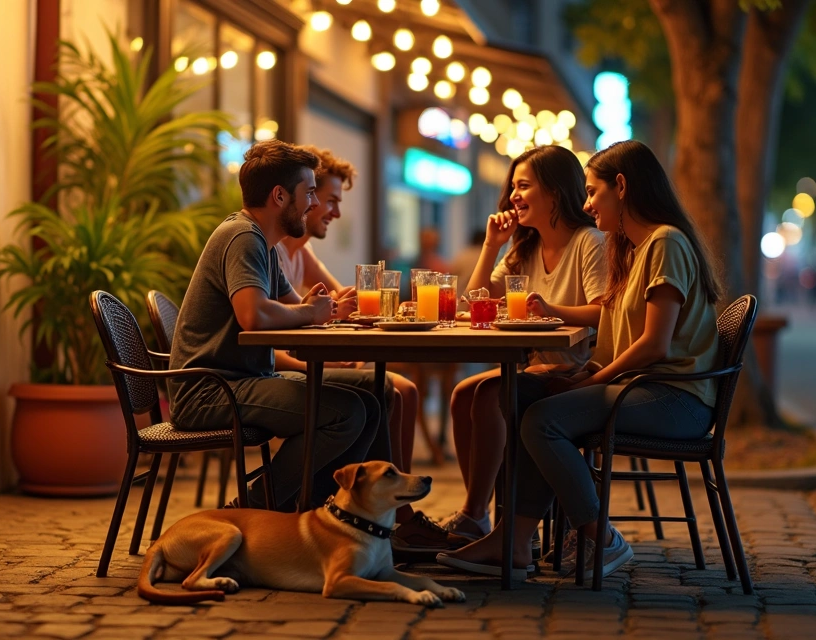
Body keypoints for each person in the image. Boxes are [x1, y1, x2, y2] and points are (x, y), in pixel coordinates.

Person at [437, 139, 724, 581]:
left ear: (622, 187)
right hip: (641, 387)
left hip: (675, 398)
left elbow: (654, 345)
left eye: (593, 192)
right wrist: (587, 371)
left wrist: (589, 380)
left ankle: (600, 536)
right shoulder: (632, 248)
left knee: (541, 420)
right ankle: (512, 540)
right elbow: (615, 335)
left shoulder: (665, 242)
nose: (587, 204)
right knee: (517, 394)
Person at [167, 140, 381, 512]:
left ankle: (320, 512)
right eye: (310, 193)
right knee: (349, 412)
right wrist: (311, 313)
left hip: (243, 380)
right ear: (280, 196)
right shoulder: (242, 237)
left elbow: (294, 309)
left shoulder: (264, 244)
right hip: (210, 391)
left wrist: (329, 309)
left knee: (371, 397)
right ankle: (253, 510)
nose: (314, 204)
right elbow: (255, 315)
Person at [273, 145, 453, 554]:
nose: (332, 210)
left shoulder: (301, 250)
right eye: (326, 200)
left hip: (302, 360)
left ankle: (394, 514)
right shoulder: (272, 251)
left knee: (399, 388)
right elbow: (262, 336)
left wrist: (388, 304)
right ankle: (395, 517)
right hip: (283, 368)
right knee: (390, 390)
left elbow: (343, 297)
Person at [439, 145, 605, 543]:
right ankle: (477, 515)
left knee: (486, 395)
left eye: (524, 186)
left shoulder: (589, 241)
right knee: (464, 394)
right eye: (513, 186)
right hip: (535, 365)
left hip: (581, 369)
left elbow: (603, 312)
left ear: (555, 192)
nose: (513, 195)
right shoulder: (524, 247)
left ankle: (482, 516)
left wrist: (551, 309)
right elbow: (476, 299)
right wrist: (492, 244)